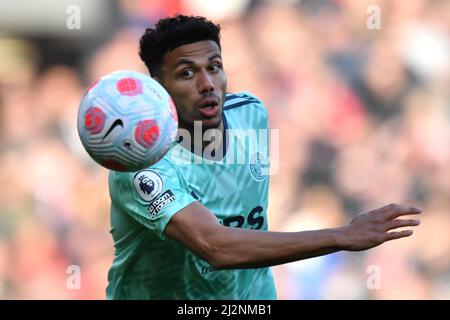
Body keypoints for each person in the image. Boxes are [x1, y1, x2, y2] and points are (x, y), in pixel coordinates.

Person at [106, 15, 422, 299]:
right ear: (159, 88)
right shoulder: (140, 165)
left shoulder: (250, 113)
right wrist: (341, 236)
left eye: (214, 67)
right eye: (187, 73)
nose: (207, 85)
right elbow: (215, 246)